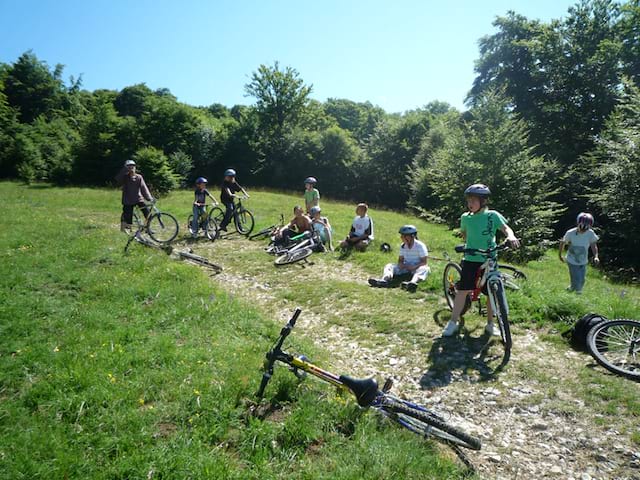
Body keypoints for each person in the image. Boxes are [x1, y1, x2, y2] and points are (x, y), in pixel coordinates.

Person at [441, 184, 520, 337]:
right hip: (471, 257)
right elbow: (465, 234)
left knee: (491, 293)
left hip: (490, 258)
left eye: (474, 200)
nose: (470, 203)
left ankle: (490, 324)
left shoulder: (492, 216)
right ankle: (453, 322)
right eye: (468, 200)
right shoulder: (465, 217)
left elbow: (506, 228)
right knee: (463, 291)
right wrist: (467, 245)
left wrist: (511, 236)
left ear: (483, 201)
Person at [368, 225, 430, 293]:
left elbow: (424, 262)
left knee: (424, 268)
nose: (401, 238)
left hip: (416, 267)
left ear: (411, 236)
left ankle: (412, 283)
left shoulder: (420, 246)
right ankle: (385, 280)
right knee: (390, 265)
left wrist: (414, 267)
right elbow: (400, 260)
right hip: (406, 266)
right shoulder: (403, 246)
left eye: (403, 236)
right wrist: (402, 265)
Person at [559, 212, 600, 294]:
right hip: (572, 260)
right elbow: (563, 242)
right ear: (578, 224)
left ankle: (570, 290)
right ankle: (578, 294)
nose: (583, 230)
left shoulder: (590, 233)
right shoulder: (570, 233)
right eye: (581, 228)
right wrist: (560, 255)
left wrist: (596, 256)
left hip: (583, 261)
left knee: (582, 280)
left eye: (585, 229)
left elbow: (593, 245)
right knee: (576, 279)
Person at [115, 159, 153, 233]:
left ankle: (148, 228)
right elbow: (118, 181)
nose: (131, 168)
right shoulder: (124, 177)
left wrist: (149, 198)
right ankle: (126, 229)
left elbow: (144, 188)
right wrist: (124, 171)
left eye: (133, 167)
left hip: (138, 199)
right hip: (128, 200)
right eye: (129, 167)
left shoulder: (139, 177)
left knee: (147, 213)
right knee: (127, 215)